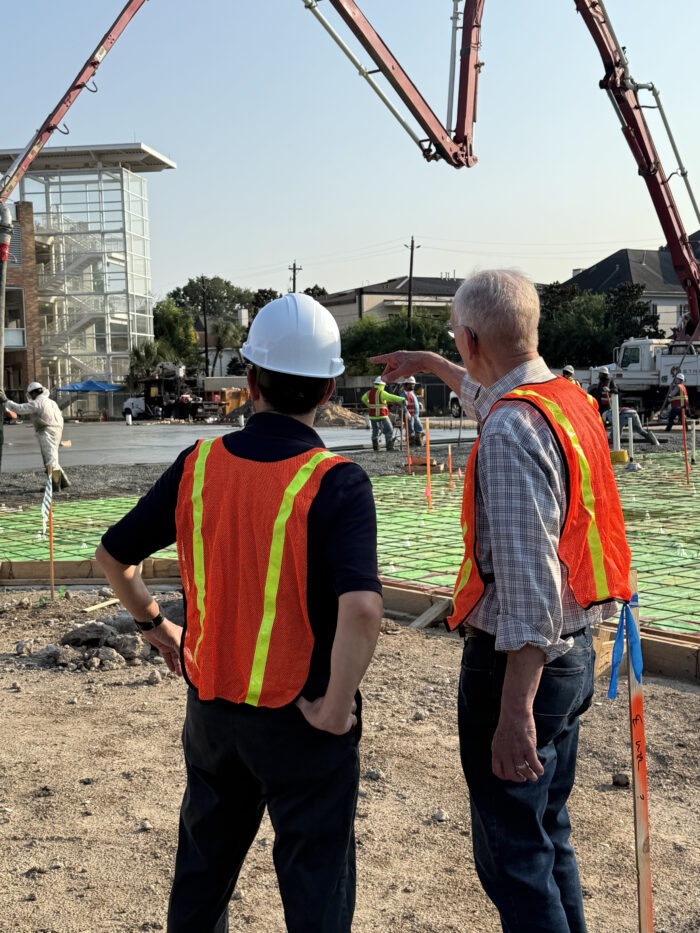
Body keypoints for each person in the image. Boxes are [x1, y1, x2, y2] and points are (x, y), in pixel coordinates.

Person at [96, 293, 383, 933]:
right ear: (330, 386)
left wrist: (153, 626)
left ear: (248, 381)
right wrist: (337, 704)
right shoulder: (336, 481)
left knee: (202, 881)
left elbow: (114, 557)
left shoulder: (198, 466)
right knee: (316, 890)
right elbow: (363, 610)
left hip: (214, 714)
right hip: (303, 719)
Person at [372, 270, 632, 933]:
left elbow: (529, 583)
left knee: (512, 855)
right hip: (576, 651)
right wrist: (433, 364)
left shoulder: (513, 430)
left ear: (472, 336)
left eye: (454, 341)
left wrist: (515, 707)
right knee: (546, 831)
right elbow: (492, 397)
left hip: (521, 665)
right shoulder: (563, 399)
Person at [0, 381, 70, 490]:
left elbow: (20, 409)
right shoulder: (51, 402)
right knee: (52, 458)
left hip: (47, 430)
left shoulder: (38, 403)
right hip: (57, 430)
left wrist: (6, 401)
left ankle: (55, 486)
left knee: (50, 460)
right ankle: (64, 482)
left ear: (33, 393)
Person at [361, 375, 405, 451]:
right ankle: (389, 447)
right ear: (382, 385)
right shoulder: (381, 393)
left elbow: (363, 398)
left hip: (373, 416)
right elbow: (391, 397)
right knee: (389, 430)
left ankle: (376, 446)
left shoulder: (369, 393)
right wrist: (402, 399)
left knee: (375, 430)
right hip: (382, 415)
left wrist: (370, 405)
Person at [399, 376, 424, 445]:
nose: (413, 385)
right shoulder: (404, 394)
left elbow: (413, 401)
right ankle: (411, 444)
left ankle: (419, 443)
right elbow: (402, 405)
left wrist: (418, 404)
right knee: (411, 431)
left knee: (419, 428)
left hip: (415, 416)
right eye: (411, 384)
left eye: (414, 384)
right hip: (409, 416)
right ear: (406, 384)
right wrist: (406, 413)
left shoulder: (412, 393)